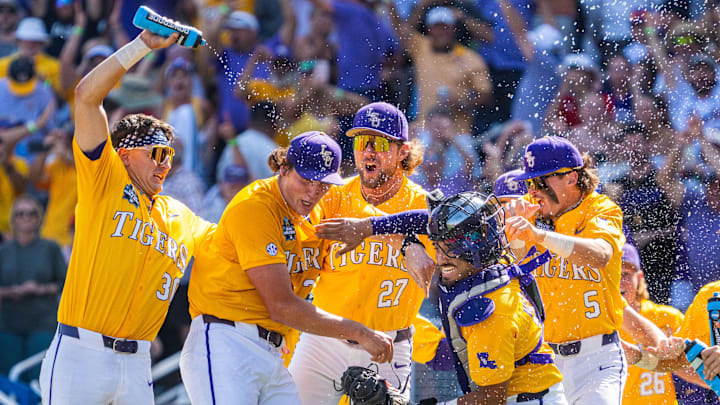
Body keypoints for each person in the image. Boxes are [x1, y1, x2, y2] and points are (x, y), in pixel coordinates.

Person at [37, 30, 216, 404]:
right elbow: (86, 96)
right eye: (155, 153)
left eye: (169, 155)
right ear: (124, 154)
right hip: (81, 355)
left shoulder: (181, 215)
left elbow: (232, 238)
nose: (164, 164)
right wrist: (141, 47)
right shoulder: (105, 178)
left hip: (137, 364)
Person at [180, 131, 394, 405]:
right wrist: (359, 332)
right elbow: (281, 306)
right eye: (305, 180)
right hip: (227, 342)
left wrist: (408, 245)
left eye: (323, 185)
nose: (313, 192)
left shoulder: (317, 210)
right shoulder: (256, 207)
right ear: (284, 169)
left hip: (272, 351)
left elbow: (389, 222)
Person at [503, 136, 682, 404]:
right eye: (529, 183)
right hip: (546, 362)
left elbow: (600, 255)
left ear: (572, 178)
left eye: (541, 181)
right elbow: (523, 270)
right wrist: (515, 233)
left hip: (597, 360)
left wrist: (538, 235)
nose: (533, 190)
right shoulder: (537, 217)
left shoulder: (601, 209)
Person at [288, 102, 429, 404]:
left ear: (402, 151)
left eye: (378, 143)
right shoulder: (335, 195)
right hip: (323, 340)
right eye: (359, 142)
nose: (367, 151)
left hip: (387, 347)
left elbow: (434, 269)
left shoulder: (424, 204)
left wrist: (379, 231)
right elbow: (296, 241)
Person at [414, 191, 566, 404]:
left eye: (451, 247)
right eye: (438, 246)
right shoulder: (491, 271)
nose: (440, 258)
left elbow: (492, 398)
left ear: (478, 246)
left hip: (526, 399)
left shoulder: (490, 310)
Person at [0, 195, 66, 376]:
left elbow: (65, 284)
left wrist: (40, 289)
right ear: (13, 219)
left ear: (39, 218)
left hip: (42, 323)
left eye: (31, 213)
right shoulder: (3, 251)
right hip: (8, 324)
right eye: (20, 214)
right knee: (9, 381)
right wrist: (14, 291)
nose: (26, 217)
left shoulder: (51, 248)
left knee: (39, 378)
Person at [618, 243, 683, 404]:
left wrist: (675, 348)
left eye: (626, 273)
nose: (620, 281)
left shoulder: (669, 318)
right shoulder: (601, 323)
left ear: (639, 278)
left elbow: (692, 364)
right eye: (614, 274)